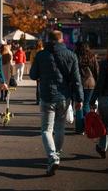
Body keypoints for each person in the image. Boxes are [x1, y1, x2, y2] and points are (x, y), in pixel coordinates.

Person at [30, 30, 84, 176]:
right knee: (60, 128)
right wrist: (79, 99)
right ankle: (57, 154)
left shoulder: (41, 55)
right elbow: (76, 80)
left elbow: (33, 74)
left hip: (47, 95)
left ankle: (52, 156)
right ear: (62, 40)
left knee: (46, 129)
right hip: (64, 97)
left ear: (49, 39)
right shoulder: (71, 55)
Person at [90, 34, 108, 172]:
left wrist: (92, 99)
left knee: (104, 127)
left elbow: (100, 84)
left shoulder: (105, 63)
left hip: (107, 99)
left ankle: (102, 147)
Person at [74, 42, 99, 134]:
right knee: (87, 104)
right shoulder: (92, 56)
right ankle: (88, 126)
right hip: (90, 83)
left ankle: (80, 128)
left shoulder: (75, 56)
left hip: (78, 83)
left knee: (79, 105)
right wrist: (97, 82)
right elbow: (96, 70)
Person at [30, 39, 44, 105]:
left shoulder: (33, 51)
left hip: (37, 69)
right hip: (43, 69)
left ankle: (38, 100)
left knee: (38, 85)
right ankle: (42, 99)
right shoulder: (44, 51)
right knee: (43, 85)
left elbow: (31, 61)